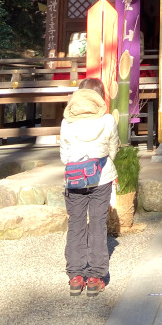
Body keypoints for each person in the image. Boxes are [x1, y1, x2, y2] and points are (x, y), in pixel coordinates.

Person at [60, 77, 119, 297]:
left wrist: (77, 164)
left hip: (74, 179)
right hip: (101, 176)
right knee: (97, 224)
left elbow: (64, 155)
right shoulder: (107, 120)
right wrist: (101, 164)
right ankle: (95, 277)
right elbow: (113, 147)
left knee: (75, 224)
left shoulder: (68, 121)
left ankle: (76, 277)